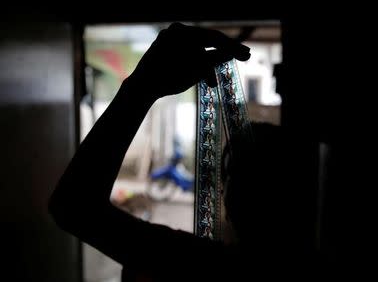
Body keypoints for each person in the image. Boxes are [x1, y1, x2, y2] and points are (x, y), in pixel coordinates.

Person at [49, 23, 287, 281]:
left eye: (228, 177)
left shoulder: (198, 264)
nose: (220, 188)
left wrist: (141, 87)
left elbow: (74, 208)